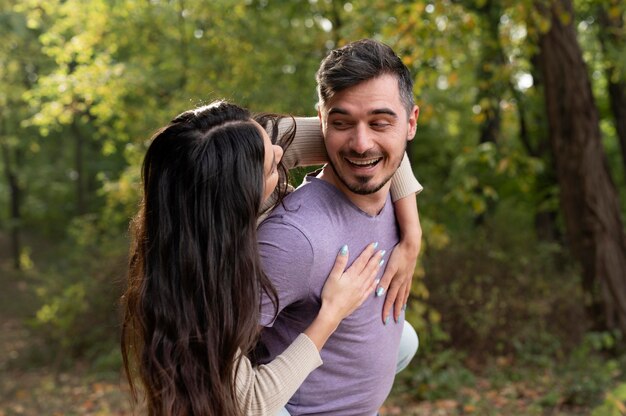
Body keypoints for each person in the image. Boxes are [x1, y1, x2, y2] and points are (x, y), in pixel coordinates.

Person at [119, 100, 419, 416]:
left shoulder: (232, 140)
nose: (281, 155)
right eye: (272, 167)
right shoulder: (199, 297)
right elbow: (252, 402)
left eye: (272, 143)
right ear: (242, 199)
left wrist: (412, 236)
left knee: (404, 340)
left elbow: (379, 141)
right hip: (233, 402)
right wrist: (332, 313)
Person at [257, 39, 421, 415]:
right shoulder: (294, 239)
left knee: (406, 340)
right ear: (321, 121)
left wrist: (412, 238)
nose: (362, 144)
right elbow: (210, 369)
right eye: (342, 123)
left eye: (381, 122)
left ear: (411, 122)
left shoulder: (393, 192)